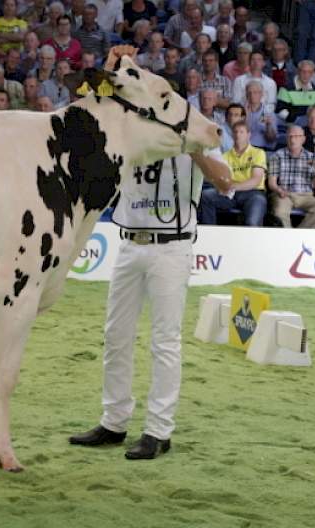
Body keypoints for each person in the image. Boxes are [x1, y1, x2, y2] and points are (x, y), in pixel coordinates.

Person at [69, 44, 233, 460]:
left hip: (171, 248)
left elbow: (227, 183)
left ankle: (159, 430)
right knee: (116, 336)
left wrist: (193, 147)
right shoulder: (131, 131)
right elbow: (86, 106)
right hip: (128, 242)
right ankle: (113, 421)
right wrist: (110, 68)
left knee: (165, 341)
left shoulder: (190, 138)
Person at [198, 120, 267, 226]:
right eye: (235, 132)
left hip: (253, 193)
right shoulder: (225, 156)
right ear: (231, 135)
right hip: (230, 193)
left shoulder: (258, 153)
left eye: (241, 132)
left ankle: (252, 241)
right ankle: (210, 231)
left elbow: (256, 180)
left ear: (249, 135)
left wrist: (234, 186)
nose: (238, 135)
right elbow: (219, 177)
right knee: (206, 196)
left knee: (252, 222)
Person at [267, 125, 315, 228]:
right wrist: (279, 190)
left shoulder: (312, 157)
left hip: (306, 195)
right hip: (284, 195)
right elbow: (271, 183)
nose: (293, 139)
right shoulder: (277, 156)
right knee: (279, 211)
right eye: (290, 136)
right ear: (286, 138)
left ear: (303, 139)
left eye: (297, 136)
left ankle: (298, 236)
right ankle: (289, 238)